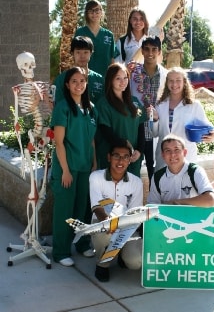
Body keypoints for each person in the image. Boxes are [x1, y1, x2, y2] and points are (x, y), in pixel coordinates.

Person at [50, 67, 98, 266]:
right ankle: (61, 251)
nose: (79, 85)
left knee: (83, 207)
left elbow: (92, 140)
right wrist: (66, 170)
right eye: (74, 81)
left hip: (86, 166)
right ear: (67, 85)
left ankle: (82, 243)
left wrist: (94, 164)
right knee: (64, 209)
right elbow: (58, 143)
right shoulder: (62, 108)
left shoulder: (90, 108)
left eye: (82, 81)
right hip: (67, 168)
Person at [90, 139, 143, 282]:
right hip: (103, 222)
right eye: (116, 156)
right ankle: (103, 264)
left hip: (126, 226)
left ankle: (121, 254)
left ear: (130, 159)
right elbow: (96, 206)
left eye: (125, 157)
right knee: (105, 232)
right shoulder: (96, 177)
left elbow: (135, 213)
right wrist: (109, 222)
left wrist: (121, 227)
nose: (121, 161)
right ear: (108, 157)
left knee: (135, 261)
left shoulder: (136, 182)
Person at [150, 67, 214, 171]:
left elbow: (210, 128)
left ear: (184, 82)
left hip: (186, 159)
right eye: (171, 81)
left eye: (178, 80)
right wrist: (155, 119)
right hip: (164, 159)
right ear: (167, 83)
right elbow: (154, 134)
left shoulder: (194, 106)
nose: (174, 84)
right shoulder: (160, 105)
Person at [95, 62, 146, 177]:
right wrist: (124, 144)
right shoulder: (104, 104)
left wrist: (139, 150)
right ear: (110, 80)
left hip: (133, 159)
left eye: (125, 78)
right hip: (113, 159)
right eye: (118, 78)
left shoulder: (134, 102)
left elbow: (141, 126)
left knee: (131, 192)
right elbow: (105, 131)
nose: (123, 82)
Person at [129, 36, 168, 182]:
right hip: (137, 127)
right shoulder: (133, 72)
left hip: (155, 127)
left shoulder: (165, 74)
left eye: (154, 49)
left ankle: (153, 200)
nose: (150, 53)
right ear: (142, 51)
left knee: (154, 168)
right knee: (134, 166)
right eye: (146, 49)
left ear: (159, 52)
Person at [147, 134, 214, 206]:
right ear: (163, 155)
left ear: (185, 152)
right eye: (168, 151)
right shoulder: (157, 177)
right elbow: (152, 207)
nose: (172, 154)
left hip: (194, 217)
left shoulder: (195, 171)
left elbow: (210, 200)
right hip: (167, 217)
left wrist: (176, 203)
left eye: (177, 150)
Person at [54, 36, 104, 104]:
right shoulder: (61, 79)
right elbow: (57, 105)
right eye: (78, 52)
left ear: (91, 53)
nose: (82, 56)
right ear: (72, 53)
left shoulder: (99, 79)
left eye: (85, 52)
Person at [74, 0, 116, 77]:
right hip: (84, 79)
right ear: (86, 13)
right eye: (91, 11)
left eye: (97, 10)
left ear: (102, 12)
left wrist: (112, 77)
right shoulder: (80, 33)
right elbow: (75, 56)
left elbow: (112, 59)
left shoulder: (109, 35)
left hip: (105, 78)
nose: (94, 13)